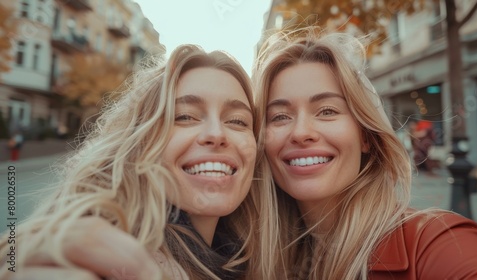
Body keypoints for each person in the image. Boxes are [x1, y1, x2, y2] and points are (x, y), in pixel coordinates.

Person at [0, 45, 279, 280]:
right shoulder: (114, 259)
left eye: (237, 121)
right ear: (141, 141)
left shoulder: (253, 260)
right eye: (184, 116)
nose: (217, 134)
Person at [253, 27, 477, 279]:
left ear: (365, 137)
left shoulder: (442, 245)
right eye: (280, 116)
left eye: (327, 111)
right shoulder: (252, 257)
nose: (301, 132)